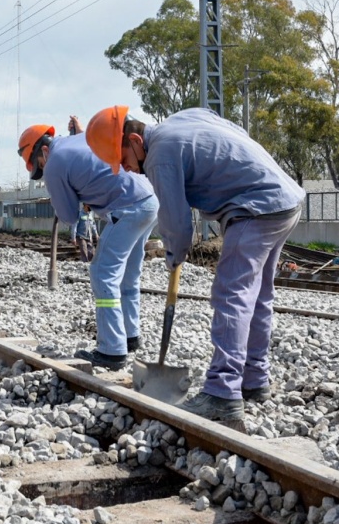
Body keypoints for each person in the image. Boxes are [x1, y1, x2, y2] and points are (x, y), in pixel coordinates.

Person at [85, 105, 305, 421]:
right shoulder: (183, 120)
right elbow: (231, 131)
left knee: (233, 296)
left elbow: (176, 223)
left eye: (124, 160)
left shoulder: (159, 155)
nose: (127, 169)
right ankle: (254, 380)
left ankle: (222, 394)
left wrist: (174, 256)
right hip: (284, 201)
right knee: (258, 296)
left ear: (135, 141)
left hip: (254, 208)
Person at [17, 124, 158, 371]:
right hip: (148, 201)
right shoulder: (78, 139)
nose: (42, 169)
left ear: (42, 151)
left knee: (103, 273)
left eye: (38, 163)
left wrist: (62, 195)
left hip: (127, 208)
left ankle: (112, 350)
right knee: (128, 275)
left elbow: (69, 216)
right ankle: (131, 335)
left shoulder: (55, 163)